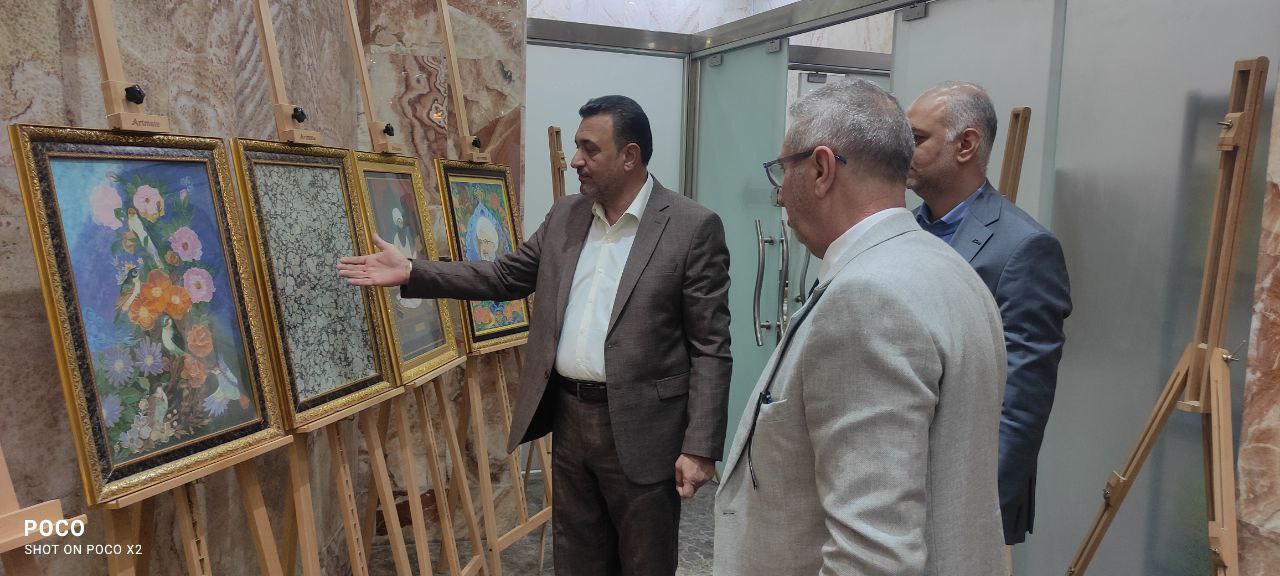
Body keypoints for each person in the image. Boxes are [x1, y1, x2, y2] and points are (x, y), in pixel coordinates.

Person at [338, 95, 731, 576]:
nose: (576, 160)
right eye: (576, 146)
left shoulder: (691, 227)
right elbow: (504, 276)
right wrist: (414, 271)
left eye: (590, 149)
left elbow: (711, 348)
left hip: (644, 430)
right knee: (577, 560)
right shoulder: (567, 215)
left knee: (643, 563)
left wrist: (699, 446)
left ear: (630, 155)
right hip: (569, 420)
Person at [714, 78, 1006, 575]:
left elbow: (871, 556)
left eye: (783, 171)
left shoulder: (869, 298)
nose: (779, 195)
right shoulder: (949, 268)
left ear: (821, 169)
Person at [906, 81, 1072, 559]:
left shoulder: (1024, 248)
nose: (903, 150)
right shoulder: (905, 229)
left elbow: (1022, 400)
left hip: (964, 497)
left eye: (917, 139)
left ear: (966, 145)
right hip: (900, 479)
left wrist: (974, 514)